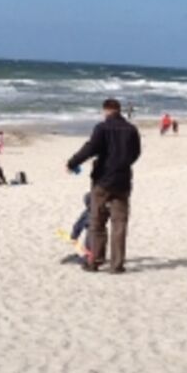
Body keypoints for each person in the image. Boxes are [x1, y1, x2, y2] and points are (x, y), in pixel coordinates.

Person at [65, 98, 141, 274]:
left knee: (97, 222)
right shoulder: (131, 129)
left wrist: (72, 163)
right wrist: (123, 163)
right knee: (119, 225)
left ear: (106, 110)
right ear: (119, 110)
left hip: (103, 180)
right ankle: (117, 265)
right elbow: (136, 153)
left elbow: (90, 148)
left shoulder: (102, 128)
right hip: (122, 181)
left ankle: (95, 261)